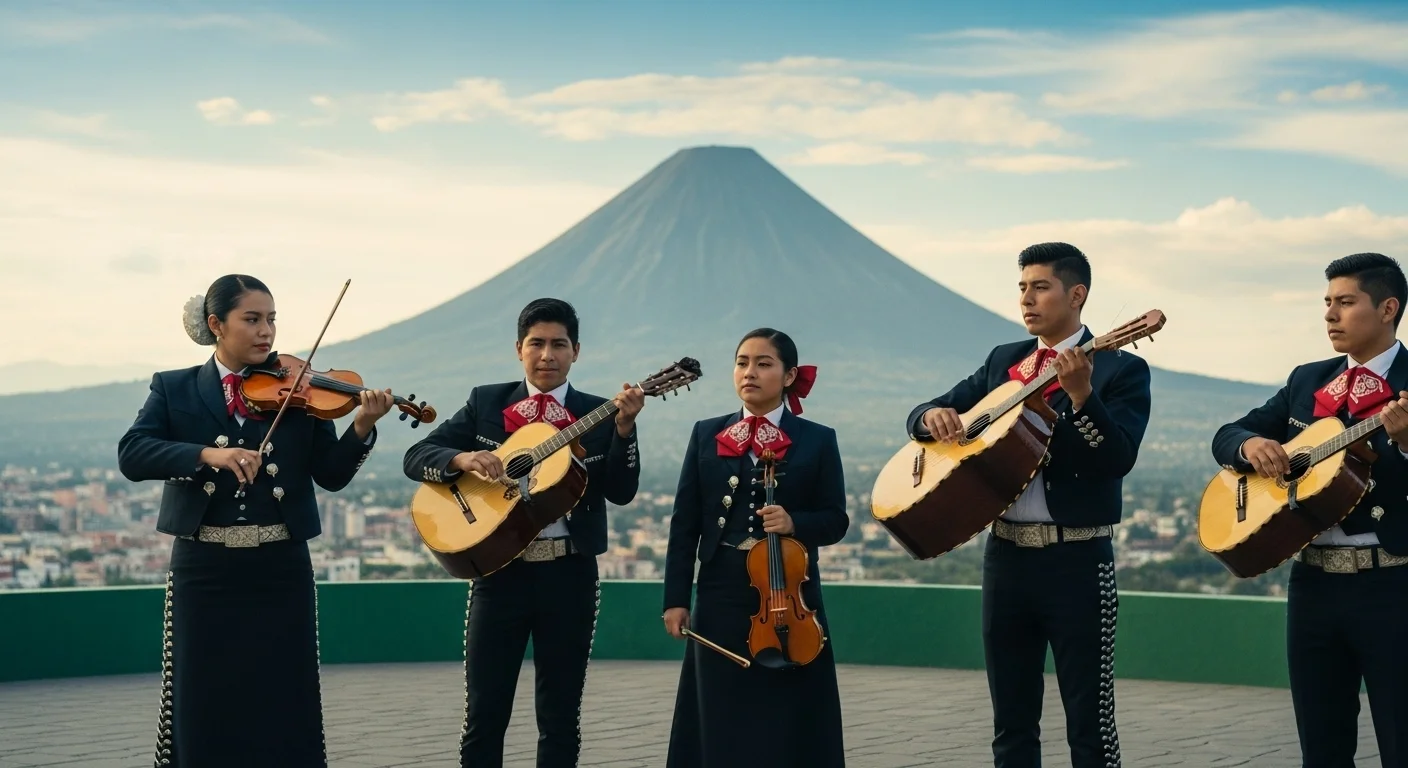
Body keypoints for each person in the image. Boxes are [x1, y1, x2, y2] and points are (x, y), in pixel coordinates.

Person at [117, 274, 392, 768]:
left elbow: (330, 475)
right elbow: (133, 453)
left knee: (285, 693)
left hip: (280, 565)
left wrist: (362, 427)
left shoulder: (300, 390)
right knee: (201, 694)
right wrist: (207, 455)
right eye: (252, 319)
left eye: (271, 319)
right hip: (204, 567)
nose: (266, 331)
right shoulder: (174, 387)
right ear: (216, 324)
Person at [905, 243, 1151, 768]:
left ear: (1077, 295)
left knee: (1090, 722)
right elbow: (929, 409)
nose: (1026, 298)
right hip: (1006, 558)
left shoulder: (1121, 370)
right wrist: (930, 418)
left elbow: (1117, 458)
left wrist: (1083, 397)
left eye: (1040, 287)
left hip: (1077, 559)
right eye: (1022, 287)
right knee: (1011, 722)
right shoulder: (1004, 360)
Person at [402, 297, 644, 768]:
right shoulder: (487, 402)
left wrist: (625, 429)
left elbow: (622, 491)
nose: (547, 355)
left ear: (576, 351)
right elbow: (417, 456)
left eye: (559, 344)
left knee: (561, 714)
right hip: (499, 574)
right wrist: (462, 458)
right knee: (485, 712)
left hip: (570, 573)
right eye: (536, 343)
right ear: (519, 349)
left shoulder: (600, 412)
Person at [1211, 252, 1408, 767]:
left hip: (1393, 586)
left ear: (1388, 308)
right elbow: (1227, 434)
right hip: (1313, 586)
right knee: (1321, 746)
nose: (1329, 314)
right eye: (1327, 302)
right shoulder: (1307, 380)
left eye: (1345, 302)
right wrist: (1250, 445)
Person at [663, 327, 849, 768]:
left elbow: (836, 520)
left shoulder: (818, 438)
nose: (749, 372)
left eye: (764, 364)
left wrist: (795, 522)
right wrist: (675, 599)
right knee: (719, 711)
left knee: (787, 713)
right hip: (719, 595)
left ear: (789, 376)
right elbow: (684, 525)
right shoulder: (706, 433)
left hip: (790, 598)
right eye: (742, 362)